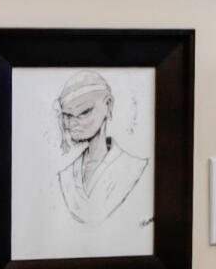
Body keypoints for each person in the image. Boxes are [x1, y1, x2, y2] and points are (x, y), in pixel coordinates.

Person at [52, 73, 150, 228]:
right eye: (68, 116)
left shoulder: (137, 168)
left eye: (85, 112)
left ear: (108, 105)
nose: (73, 123)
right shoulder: (65, 177)